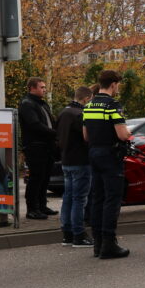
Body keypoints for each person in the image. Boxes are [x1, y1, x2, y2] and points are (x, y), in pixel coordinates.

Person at [83, 70, 131, 260]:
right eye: (118, 85)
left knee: (97, 198)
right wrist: (127, 133)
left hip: (94, 153)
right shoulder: (112, 105)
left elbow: (85, 136)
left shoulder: (89, 106)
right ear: (113, 84)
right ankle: (109, 244)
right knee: (112, 199)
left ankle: (98, 244)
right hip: (110, 155)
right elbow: (122, 134)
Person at [56, 86, 94, 248]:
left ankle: (67, 234)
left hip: (66, 160)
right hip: (81, 161)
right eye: (90, 100)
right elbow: (87, 137)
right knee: (79, 199)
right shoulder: (80, 114)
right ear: (86, 99)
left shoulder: (64, 113)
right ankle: (79, 234)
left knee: (68, 197)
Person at [19, 77, 59, 220]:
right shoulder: (27, 104)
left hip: (47, 146)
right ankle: (32, 209)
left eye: (44, 87)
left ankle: (42, 205)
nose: (44, 90)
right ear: (32, 88)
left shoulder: (42, 103)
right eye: (41, 87)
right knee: (36, 178)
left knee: (45, 177)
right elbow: (34, 125)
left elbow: (50, 121)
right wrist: (55, 133)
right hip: (35, 146)